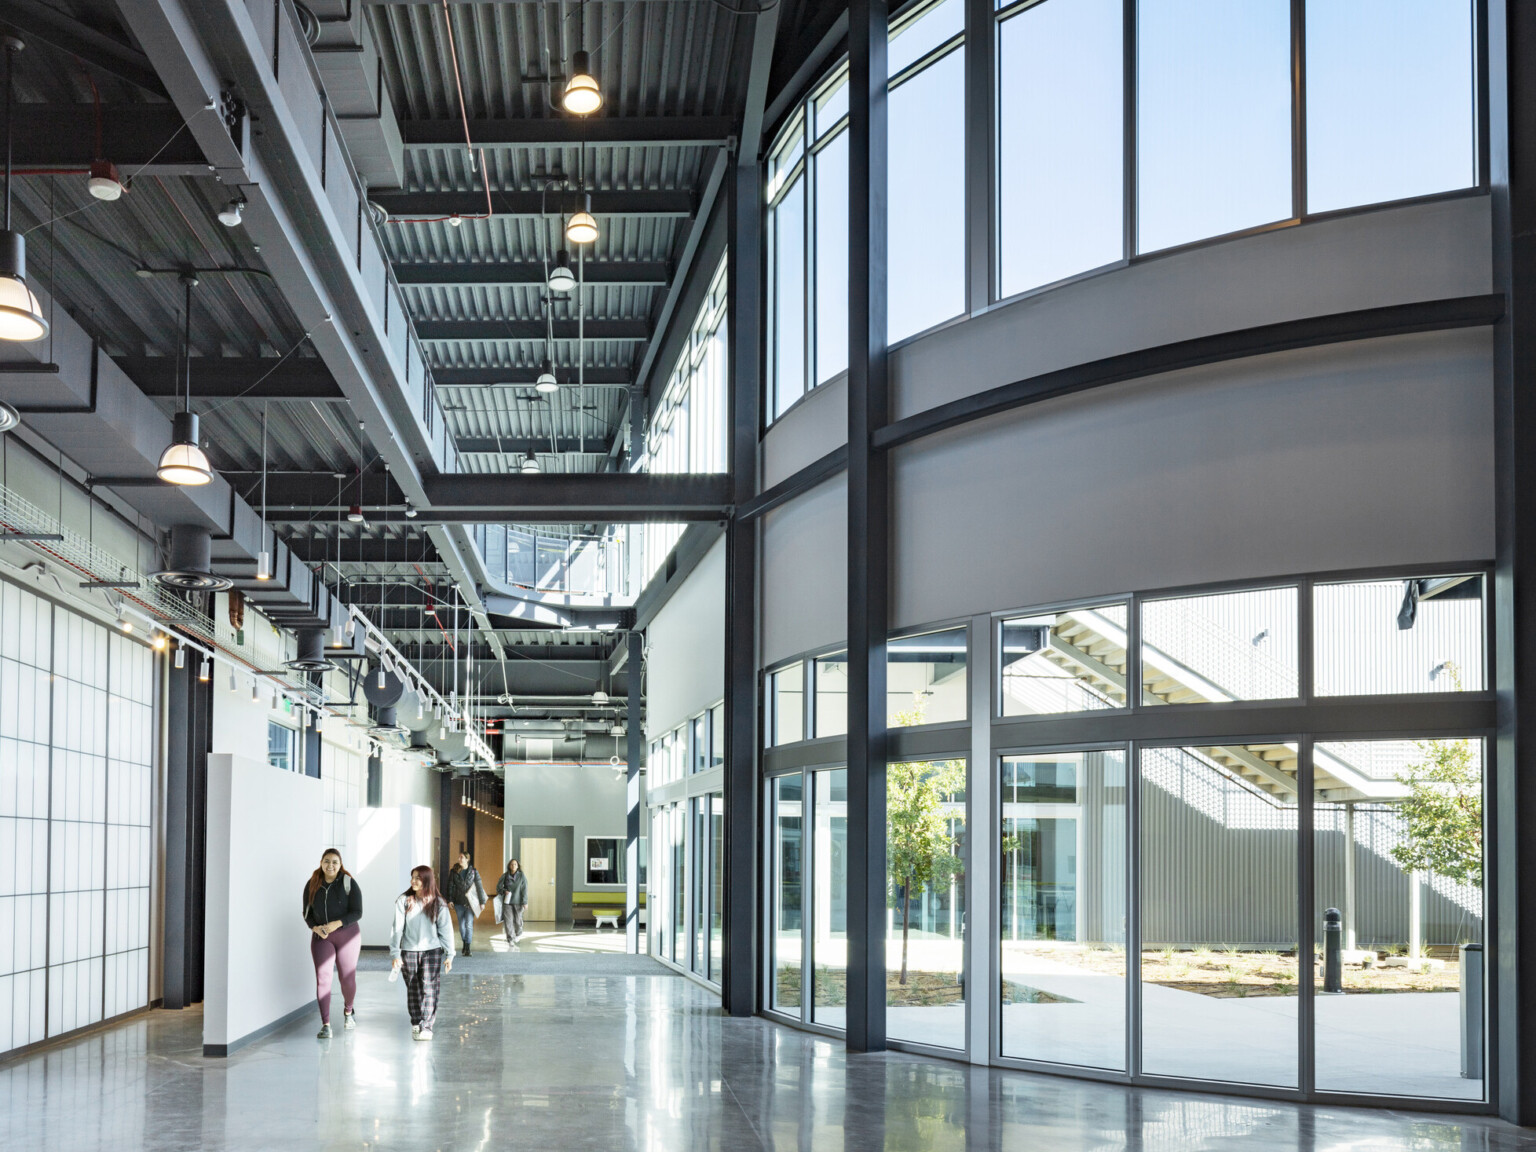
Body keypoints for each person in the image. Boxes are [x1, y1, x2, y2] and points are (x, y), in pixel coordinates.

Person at [389, 865, 455, 1041]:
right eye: (412, 877)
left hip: (432, 951)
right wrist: (395, 954)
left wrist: (450, 955)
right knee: (413, 987)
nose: (413, 881)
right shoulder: (403, 901)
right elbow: (397, 929)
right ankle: (416, 1022)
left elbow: (446, 930)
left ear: (427, 879)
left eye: (418, 878)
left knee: (429, 986)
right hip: (408, 951)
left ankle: (427, 1025)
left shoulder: (438, 903)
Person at [304, 848, 363, 1039]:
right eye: (327, 861)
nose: (330, 865)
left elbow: (357, 912)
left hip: (348, 935)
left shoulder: (348, 882)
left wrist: (336, 924)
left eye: (335, 862)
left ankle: (348, 1011)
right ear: (321, 862)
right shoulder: (312, 883)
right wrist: (315, 927)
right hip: (322, 937)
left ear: (340, 864)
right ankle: (326, 1024)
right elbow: (307, 914)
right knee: (323, 978)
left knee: (347, 978)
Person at [445, 851, 487, 956]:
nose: (459, 859)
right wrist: (449, 900)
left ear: (467, 859)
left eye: (461, 857)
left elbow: (479, 887)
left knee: (469, 925)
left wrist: (482, 902)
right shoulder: (454, 871)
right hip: (459, 902)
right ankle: (464, 942)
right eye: (459, 857)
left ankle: (468, 947)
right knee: (461, 926)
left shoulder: (473, 871)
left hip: (470, 903)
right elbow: (450, 886)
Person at [496, 858, 528, 945]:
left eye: (515, 864)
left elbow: (524, 889)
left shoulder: (521, 876)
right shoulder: (505, 876)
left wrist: (525, 902)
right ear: (509, 866)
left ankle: (518, 933)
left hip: (518, 902)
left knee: (518, 921)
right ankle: (510, 939)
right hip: (507, 903)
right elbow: (498, 887)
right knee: (508, 921)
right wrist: (504, 891)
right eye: (511, 864)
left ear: (517, 866)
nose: (513, 866)